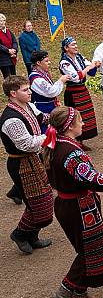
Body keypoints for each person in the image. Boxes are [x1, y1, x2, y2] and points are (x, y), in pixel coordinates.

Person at [43, 106, 103, 298]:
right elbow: (93, 179)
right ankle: (66, 289)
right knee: (91, 249)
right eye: (80, 122)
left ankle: (79, 295)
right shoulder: (71, 152)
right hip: (80, 209)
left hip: (66, 204)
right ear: (69, 127)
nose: (83, 124)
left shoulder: (54, 145)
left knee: (85, 247)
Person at [0, 76, 53, 254]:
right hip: (21, 163)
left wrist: (59, 117)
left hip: (33, 160)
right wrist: (50, 137)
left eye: (29, 88)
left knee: (42, 200)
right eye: (25, 89)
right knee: (36, 204)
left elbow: (42, 117)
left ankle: (32, 236)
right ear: (13, 94)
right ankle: (20, 234)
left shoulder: (28, 106)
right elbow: (26, 143)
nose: (29, 92)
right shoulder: (11, 119)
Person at [60, 36, 99, 145]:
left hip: (83, 90)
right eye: (73, 44)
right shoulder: (64, 63)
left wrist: (94, 65)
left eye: (76, 44)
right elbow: (76, 77)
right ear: (66, 48)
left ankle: (81, 141)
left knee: (85, 116)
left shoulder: (80, 57)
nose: (76, 46)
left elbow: (92, 72)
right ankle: (75, 141)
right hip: (73, 92)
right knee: (75, 117)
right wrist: (88, 67)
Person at [29, 50, 70, 130]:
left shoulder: (43, 73)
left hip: (51, 106)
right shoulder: (35, 78)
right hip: (43, 108)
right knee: (47, 130)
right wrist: (61, 81)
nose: (49, 62)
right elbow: (51, 92)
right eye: (46, 61)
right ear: (38, 63)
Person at [0, 13, 18, 78]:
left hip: (12, 58)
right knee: (7, 78)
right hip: (3, 59)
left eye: (3, 20)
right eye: (0, 21)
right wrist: (8, 50)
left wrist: (14, 49)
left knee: (14, 77)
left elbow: (14, 41)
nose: (2, 22)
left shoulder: (8, 31)